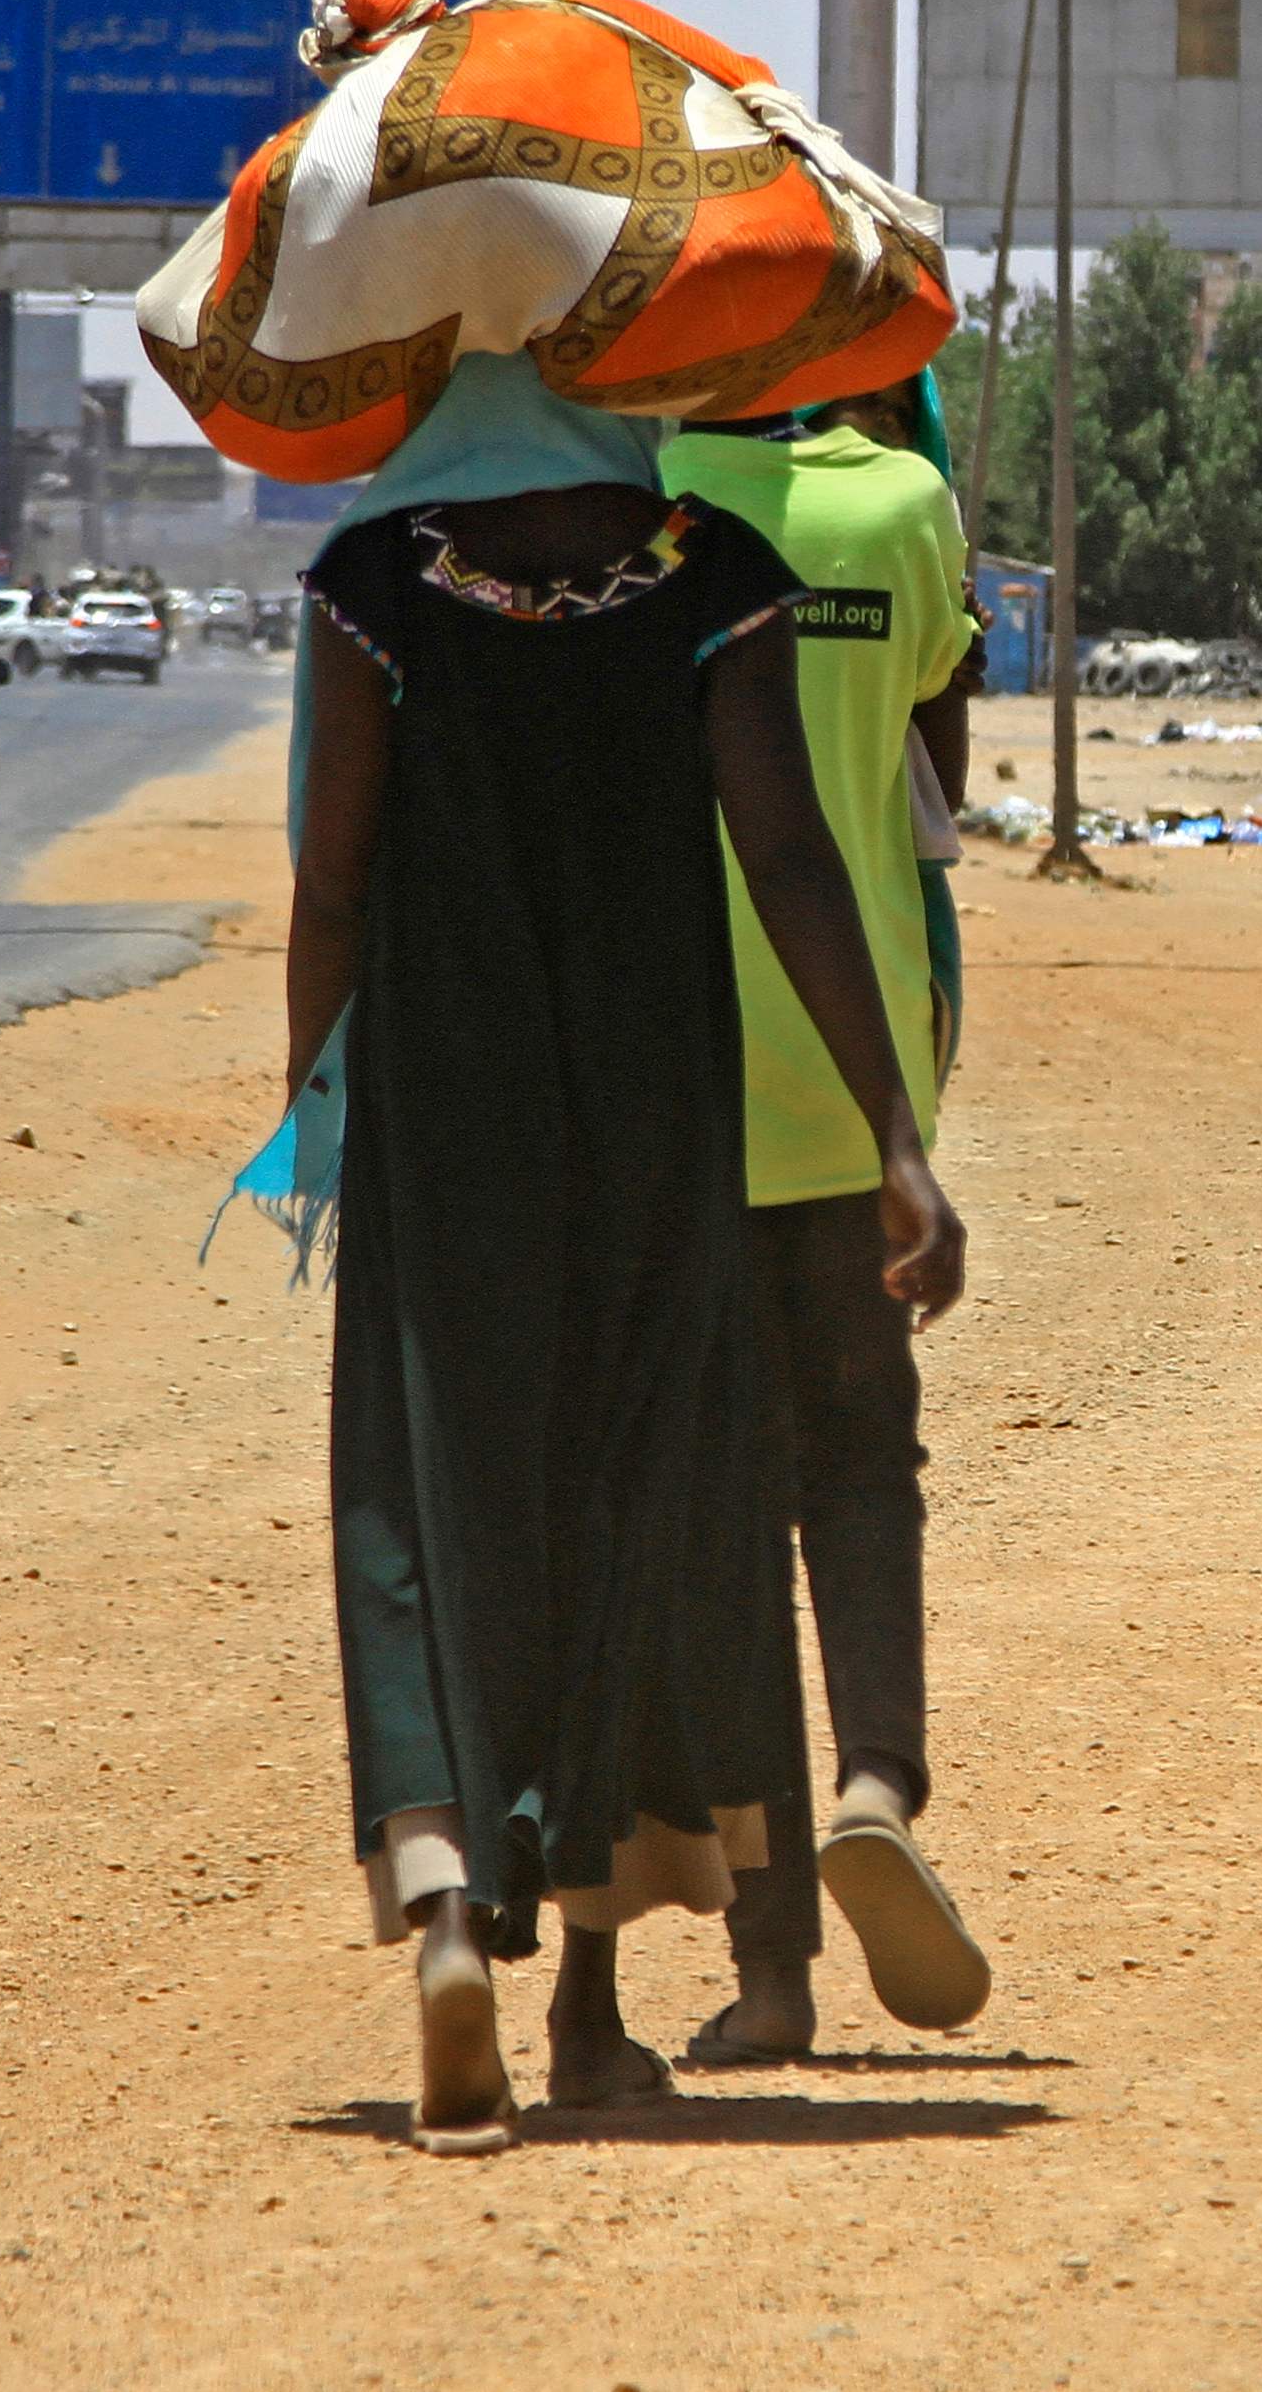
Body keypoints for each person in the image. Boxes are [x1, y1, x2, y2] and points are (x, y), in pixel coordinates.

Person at [282, 352, 967, 2156]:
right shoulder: (705, 571)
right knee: (633, 1498)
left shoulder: (374, 588)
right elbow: (796, 854)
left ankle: (445, 1907)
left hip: (449, 1118)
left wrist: (314, 1098)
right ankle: (587, 2010)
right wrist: (896, 1137)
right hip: (669, 1120)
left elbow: (331, 879)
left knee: (432, 1499)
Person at [655, 372, 992, 2063]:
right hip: (855, 1074)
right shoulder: (903, 509)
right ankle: (879, 1776)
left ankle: (774, 1963)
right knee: (861, 1466)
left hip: (670, 1093)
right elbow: (938, 787)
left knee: (721, 1523)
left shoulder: (634, 504)